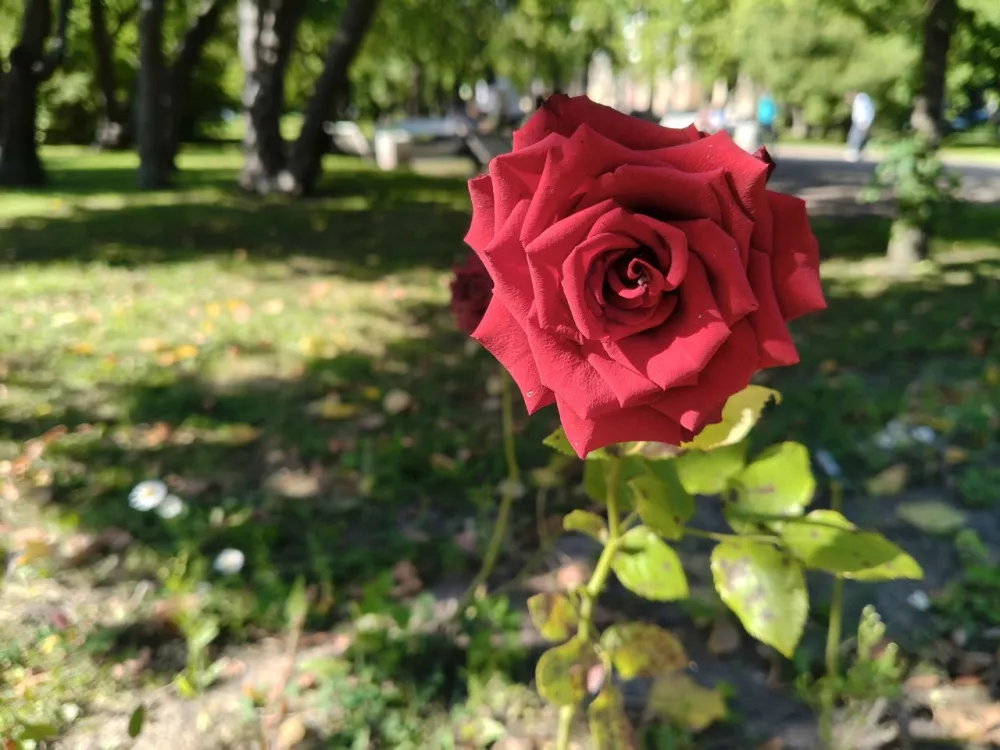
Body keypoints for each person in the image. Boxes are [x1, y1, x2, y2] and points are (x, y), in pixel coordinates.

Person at [846, 91, 876, 162]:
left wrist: (866, 122)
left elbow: (863, 112)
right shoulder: (862, 99)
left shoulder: (861, 99)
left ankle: (855, 153)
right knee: (858, 137)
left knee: (857, 138)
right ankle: (857, 153)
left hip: (861, 122)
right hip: (861, 121)